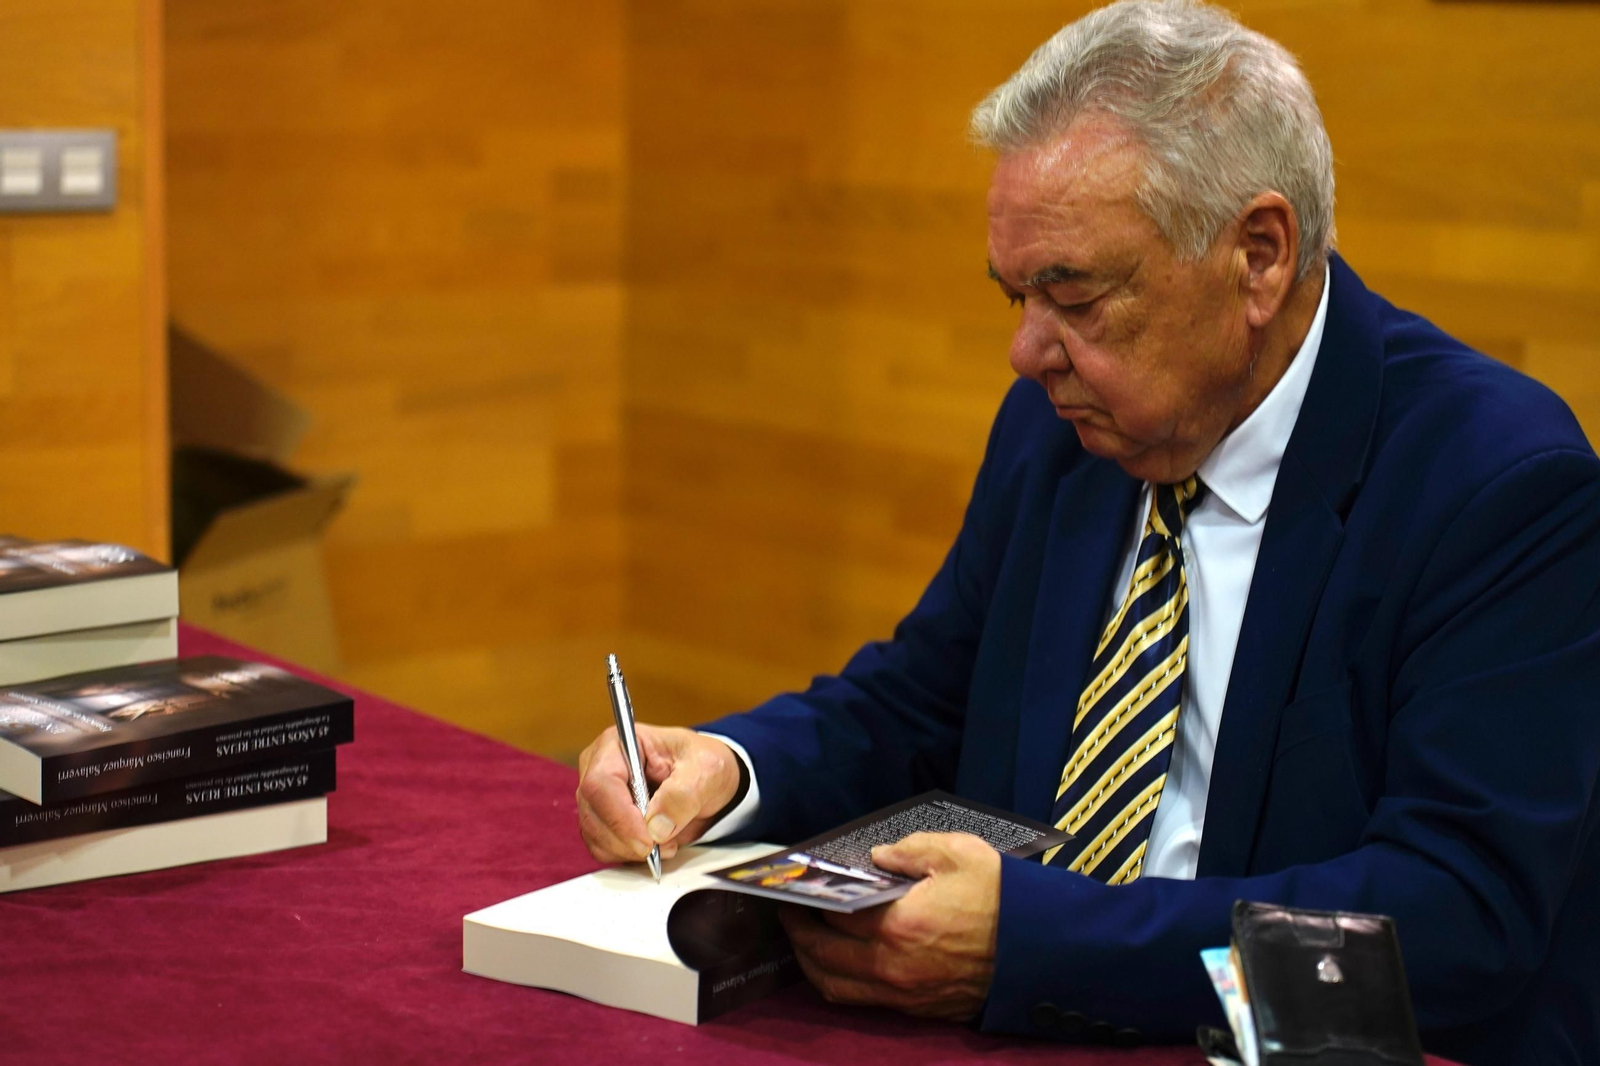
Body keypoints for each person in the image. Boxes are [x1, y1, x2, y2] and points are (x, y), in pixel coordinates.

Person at [573, 2, 1600, 1062]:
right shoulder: (1062, 428)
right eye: (1015, 295)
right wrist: (732, 765)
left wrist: (1040, 943)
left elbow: (1455, 916)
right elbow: (926, 695)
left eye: (1073, 295)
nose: (1026, 351)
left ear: (1257, 255)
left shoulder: (1496, 485)